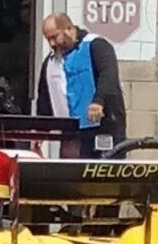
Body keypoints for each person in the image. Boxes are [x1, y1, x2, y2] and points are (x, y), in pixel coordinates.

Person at [34, 12, 125, 147]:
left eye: (55, 37)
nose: (52, 43)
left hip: (102, 127)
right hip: (71, 132)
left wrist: (98, 101)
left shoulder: (96, 45)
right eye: (48, 39)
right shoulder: (51, 62)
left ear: (69, 29)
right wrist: (40, 131)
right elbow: (45, 98)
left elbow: (108, 75)